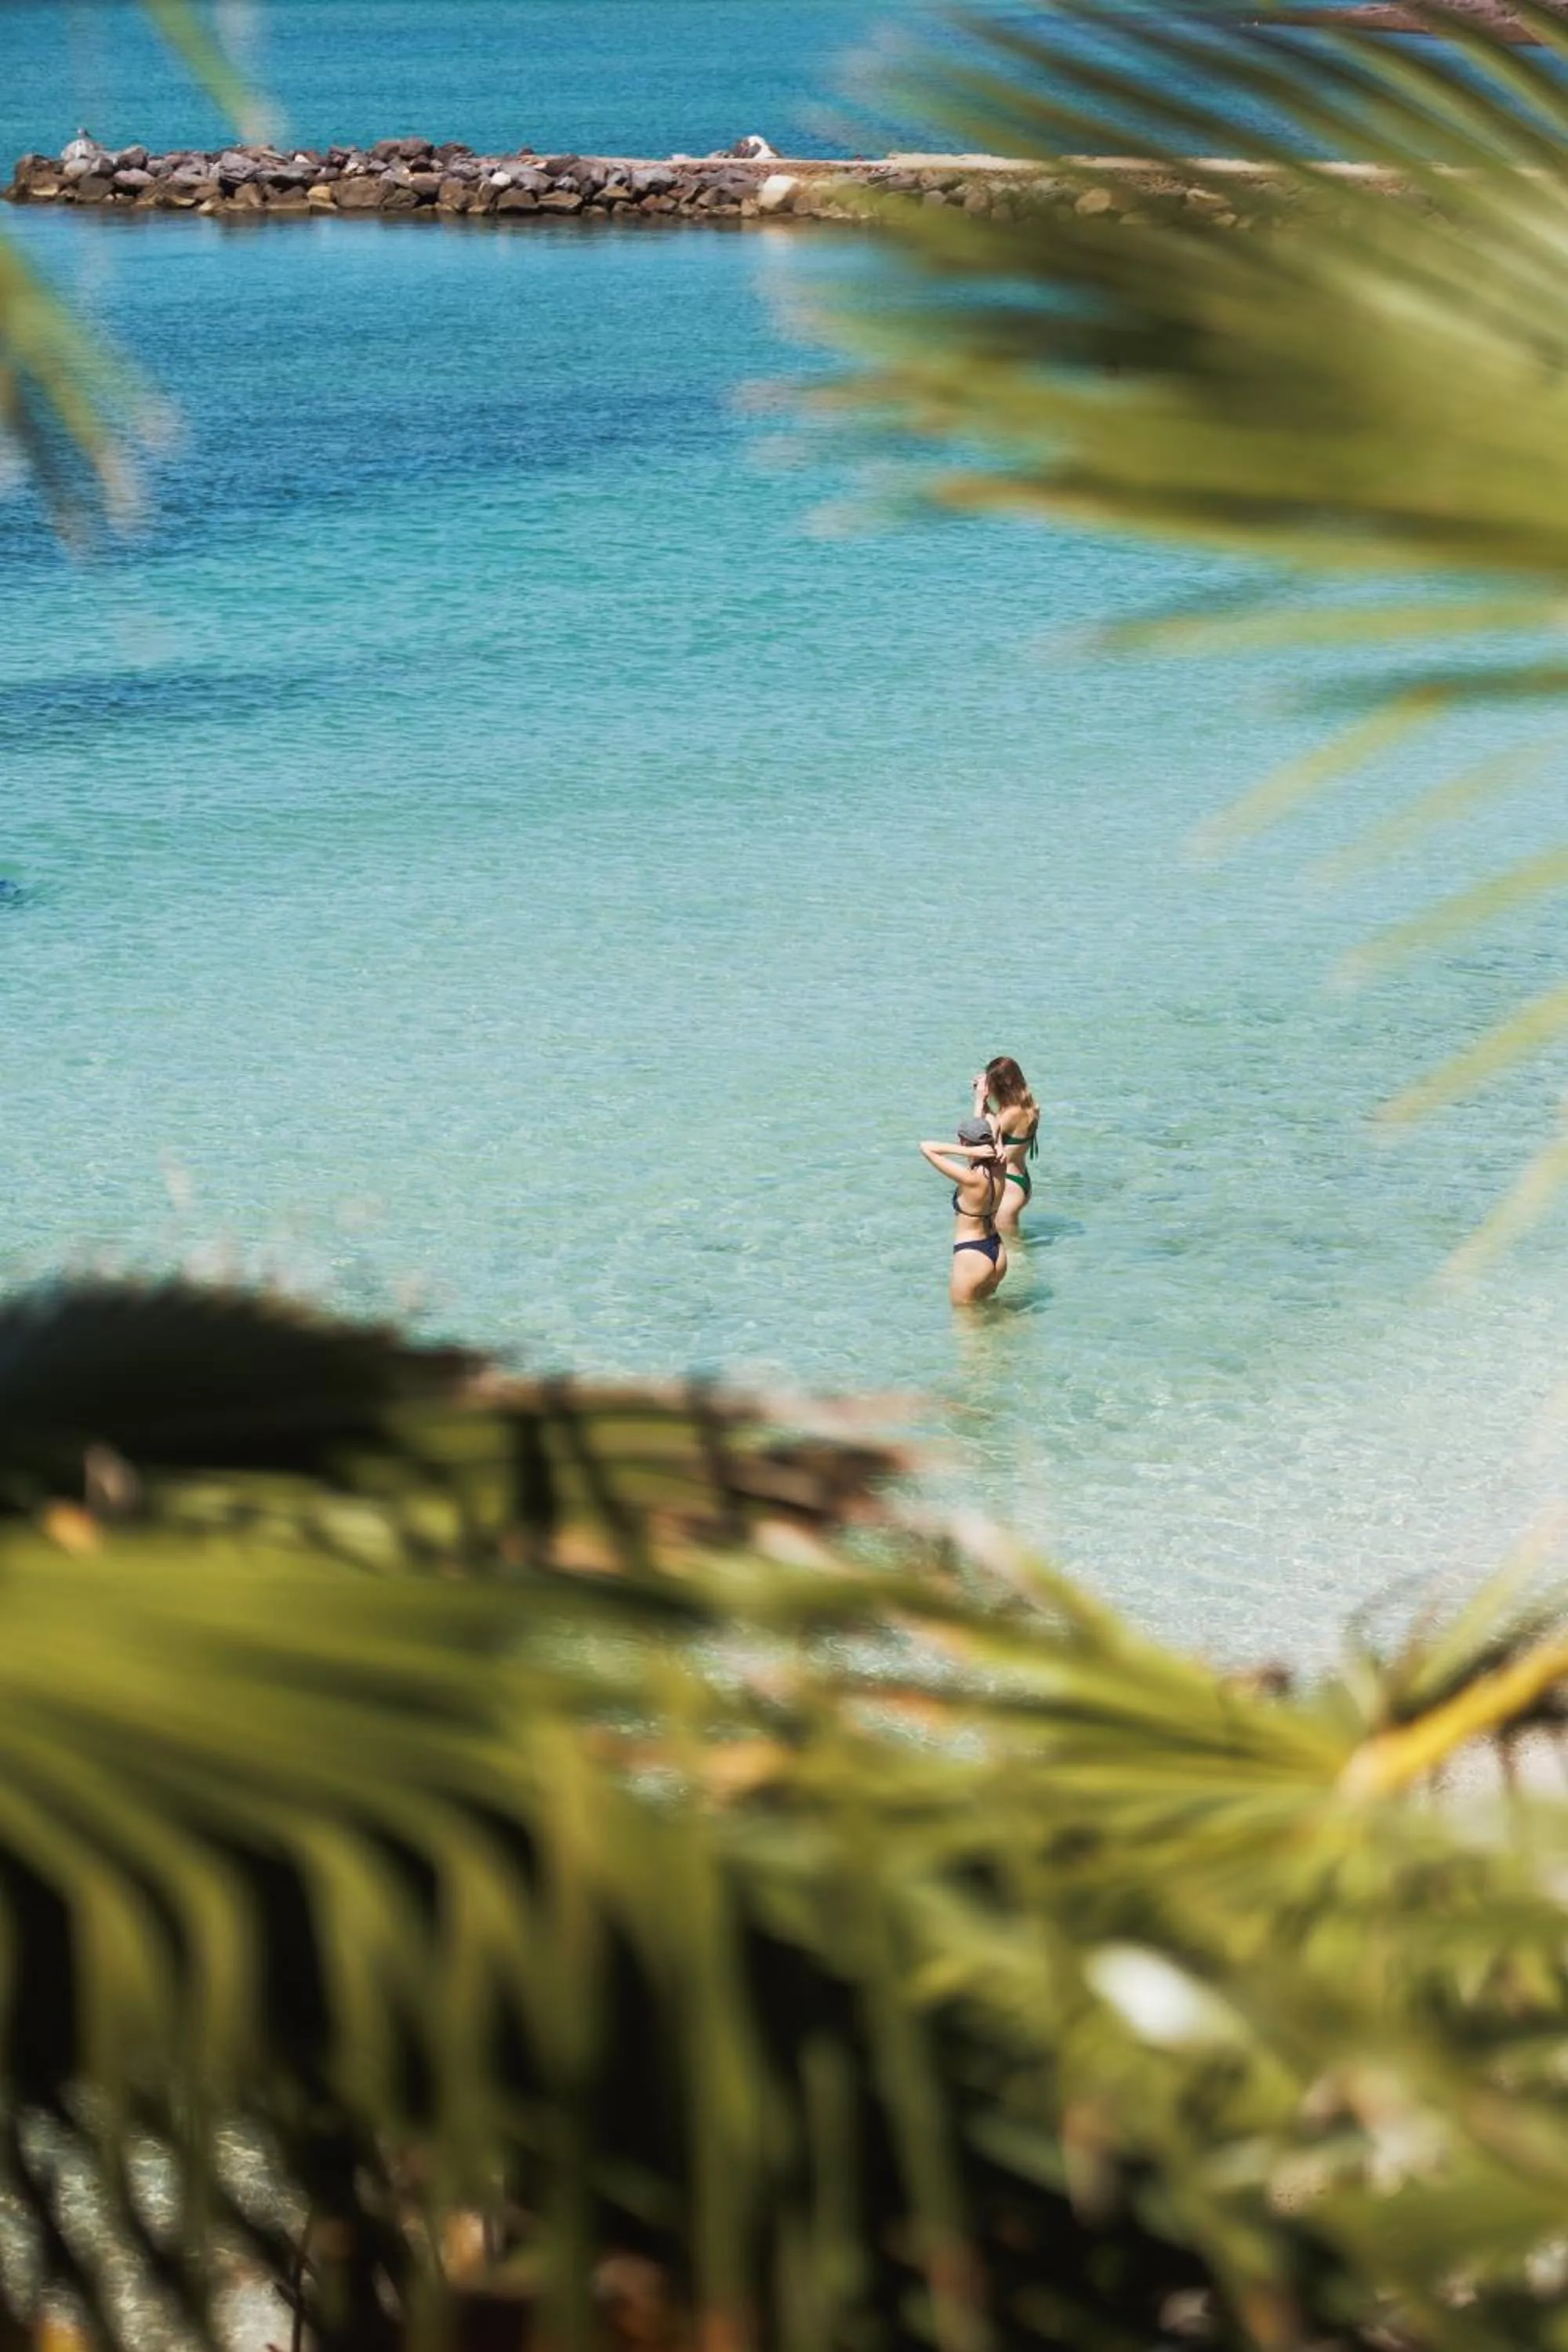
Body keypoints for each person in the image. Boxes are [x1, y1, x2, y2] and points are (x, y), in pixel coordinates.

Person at [920, 1116, 1009, 1305]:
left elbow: (926, 1148)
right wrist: (997, 1146)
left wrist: (964, 1151)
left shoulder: (970, 1178)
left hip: (973, 1255)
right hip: (997, 1251)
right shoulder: (1002, 1164)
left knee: (965, 1325)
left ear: (963, 1141)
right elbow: (994, 1121)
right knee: (989, 1312)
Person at [974, 1056, 1040, 1236]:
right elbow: (995, 1126)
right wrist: (986, 1102)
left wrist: (980, 1100)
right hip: (1019, 1181)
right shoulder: (1030, 1107)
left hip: (1008, 1188)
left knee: (1011, 1252)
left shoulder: (1011, 1114)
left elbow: (977, 1136)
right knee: (1016, 1249)